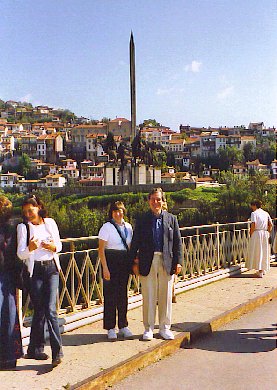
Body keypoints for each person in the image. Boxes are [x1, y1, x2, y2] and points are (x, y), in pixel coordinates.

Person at [129, 188, 183, 341]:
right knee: (148, 295)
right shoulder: (142, 220)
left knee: (165, 295)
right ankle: (148, 328)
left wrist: (179, 261)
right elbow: (135, 242)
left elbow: (178, 242)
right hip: (148, 261)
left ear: (162, 201)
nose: (155, 202)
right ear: (149, 201)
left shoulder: (171, 219)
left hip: (167, 260)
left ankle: (165, 328)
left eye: (158, 199)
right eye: (153, 199)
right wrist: (132, 263)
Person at [17, 195, 63, 367]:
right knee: (40, 310)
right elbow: (20, 254)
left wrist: (52, 247)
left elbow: (59, 245)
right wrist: (30, 248)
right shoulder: (23, 227)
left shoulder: (50, 223)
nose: (28, 213)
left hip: (51, 268)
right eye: (25, 211)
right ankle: (34, 350)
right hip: (34, 271)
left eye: (31, 210)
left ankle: (57, 352)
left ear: (38, 208)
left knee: (50, 310)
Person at [98, 201, 133, 340]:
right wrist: (105, 268)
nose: (118, 213)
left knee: (123, 295)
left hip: (123, 261)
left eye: (120, 211)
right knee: (110, 296)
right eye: (115, 211)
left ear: (124, 212)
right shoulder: (106, 227)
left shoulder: (128, 227)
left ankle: (123, 325)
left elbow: (130, 246)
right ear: (111, 213)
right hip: (111, 260)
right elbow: (101, 250)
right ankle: (110, 327)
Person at [0, 196, 23, 369]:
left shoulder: (11, 227)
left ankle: (7, 357)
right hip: (9, 274)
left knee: (7, 315)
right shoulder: (14, 226)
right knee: (9, 315)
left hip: (6, 274)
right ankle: (9, 357)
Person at [246, 200, 273, 278]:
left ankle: (260, 270)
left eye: (252, 206)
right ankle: (263, 269)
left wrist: (251, 233)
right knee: (264, 250)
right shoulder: (266, 213)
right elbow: (270, 224)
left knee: (258, 250)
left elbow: (253, 224)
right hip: (265, 233)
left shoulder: (254, 213)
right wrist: (268, 232)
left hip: (257, 233)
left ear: (254, 205)